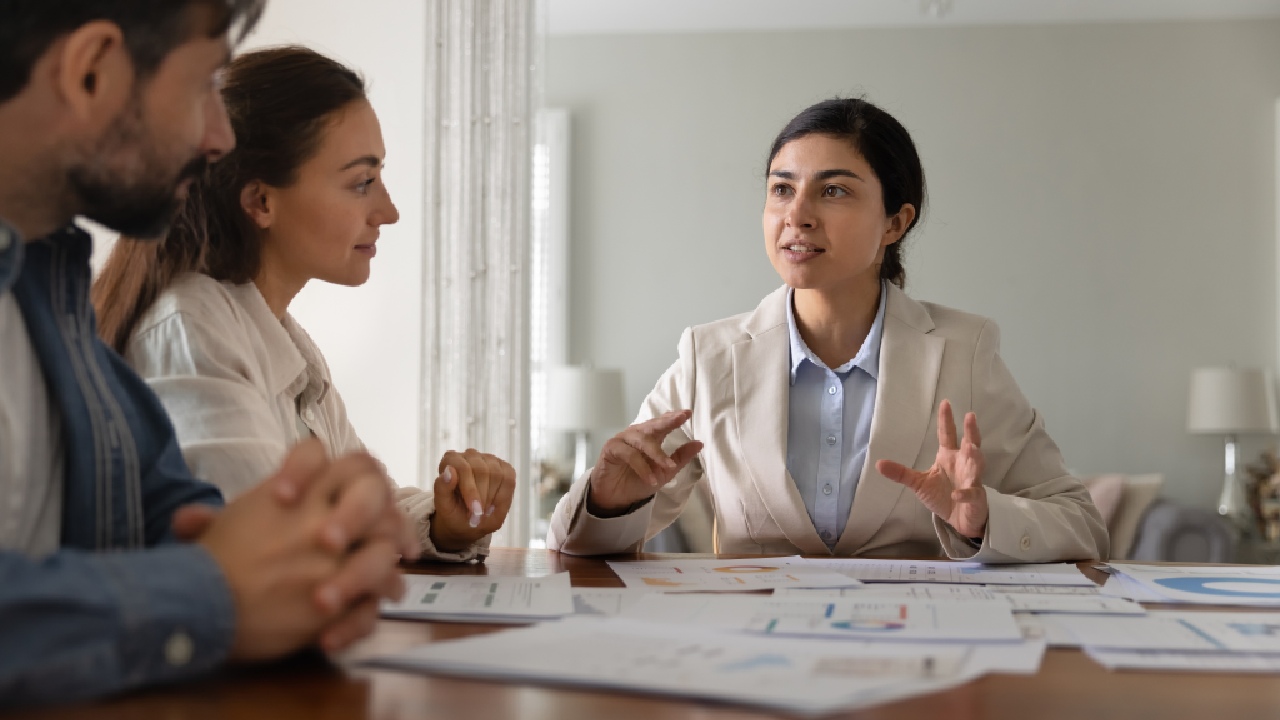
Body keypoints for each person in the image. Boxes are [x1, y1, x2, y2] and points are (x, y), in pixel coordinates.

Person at [0, 0, 419, 707]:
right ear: (92, 72)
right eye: (202, 87)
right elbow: (216, 576)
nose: (220, 137)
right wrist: (211, 593)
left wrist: (330, 537)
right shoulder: (180, 321)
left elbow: (191, 521)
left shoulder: (53, 311)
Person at [548, 97, 1108, 563]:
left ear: (895, 222)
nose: (798, 215)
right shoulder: (709, 357)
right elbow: (575, 548)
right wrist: (608, 501)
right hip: (746, 666)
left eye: (834, 190)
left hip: (912, 660)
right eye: (781, 189)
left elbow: (1082, 525)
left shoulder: (963, 352)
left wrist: (980, 516)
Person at [92, 45, 516, 560]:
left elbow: (358, 509)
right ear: (261, 202)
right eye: (362, 183)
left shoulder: (281, 339)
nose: (389, 211)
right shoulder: (191, 329)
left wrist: (445, 523)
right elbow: (271, 551)